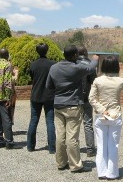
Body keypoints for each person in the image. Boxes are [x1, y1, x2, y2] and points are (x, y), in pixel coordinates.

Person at [46, 45, 98, 173]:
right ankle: (75, 165)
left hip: (58, 105)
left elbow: (49, 86)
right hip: (73, 106)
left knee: (60, 136)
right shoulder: (76, 68)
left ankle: (61, 162)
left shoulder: (54, 67)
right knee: (72, 137)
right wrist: (95, 59)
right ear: (75, 56)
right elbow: (91, 68)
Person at [89, 56, 123, 180]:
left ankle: (102, 172)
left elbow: (92, 99)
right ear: (116, 66)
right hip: (115, 116)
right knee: (113, 145)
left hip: (101, 116)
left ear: (103, 66)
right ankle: (112, 173)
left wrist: (102, 110)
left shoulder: (97, 80)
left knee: (101, 145)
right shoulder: (121, 81)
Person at [27, 43, 56, 154]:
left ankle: (30, 146)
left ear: (37, 51)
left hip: (36, 95)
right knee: (50, 122)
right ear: (47, 50)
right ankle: (52, 148)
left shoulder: (33, 65)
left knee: (33, 121)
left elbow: (32, 78)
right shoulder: (52, 64)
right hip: (49, 96)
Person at [77, 46, 97, 157]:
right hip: (87, 98)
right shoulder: (90, 65)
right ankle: (90, 149)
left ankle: (73, 148)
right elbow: (94, 81)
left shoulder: (73, 64)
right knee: (88, 124)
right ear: (85, 53)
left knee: (73, 124)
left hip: (74, 99)